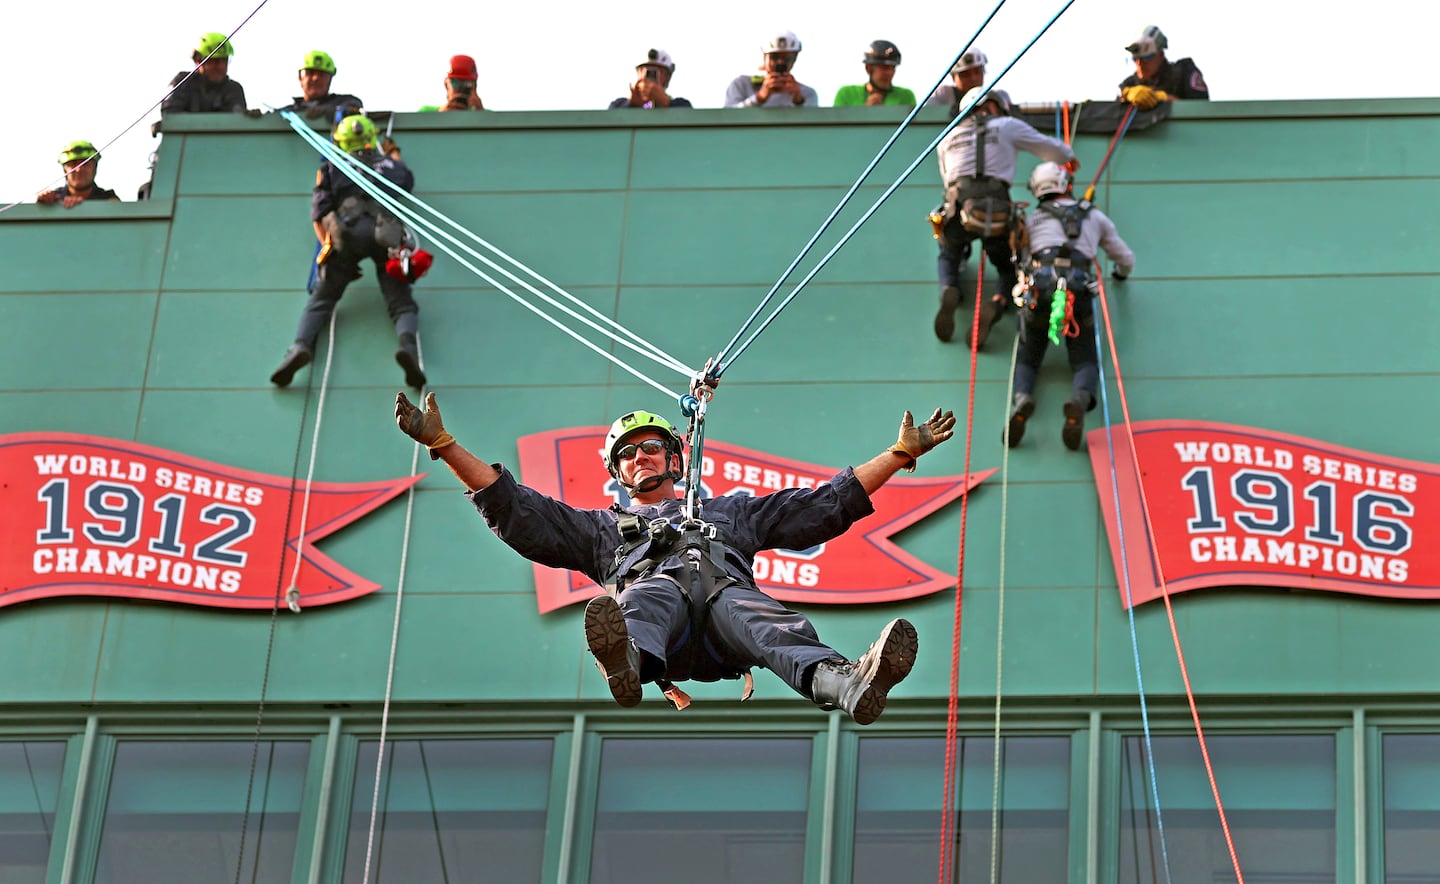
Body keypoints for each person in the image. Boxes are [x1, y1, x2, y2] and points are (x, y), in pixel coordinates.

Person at [394, 396, 956, 724]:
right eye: (628, 454)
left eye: (650, 448)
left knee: (756, 612)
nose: (641, 458)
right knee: (648, 593)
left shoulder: (732, 514)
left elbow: (821, 506)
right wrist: (442, 443)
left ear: (673, 458)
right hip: (661, 636)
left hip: (722, 630)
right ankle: (626, 661)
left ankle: (850, 685)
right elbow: (515, 508)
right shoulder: (602, 530)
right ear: (617, 474)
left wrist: (901, 452)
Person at [271, 115, 429, 390]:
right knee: (401, 302)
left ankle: (300, 347)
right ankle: (408, 349)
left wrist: (328, 246)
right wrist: (392, 152)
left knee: (323, 297)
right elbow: (407, 180)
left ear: (341, 142)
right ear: (371, 139)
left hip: (347, 234)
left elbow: (319, 211)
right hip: (385, 234)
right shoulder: (389, 165)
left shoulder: (331, 167)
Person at [1007, 162, 1135, 451]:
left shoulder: (1032, 220)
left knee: (1028, 356)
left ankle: (1023, 399)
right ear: (1065, 182)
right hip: (1078, 290)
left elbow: (1021, 257)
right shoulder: (1094, 217)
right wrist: (1120, 274)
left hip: (1040, 289)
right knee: (1085, 359)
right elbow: (1125, 258)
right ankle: (1079, 398)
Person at [932, 89, 1074, 349]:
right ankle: (997, 301)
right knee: (1008, 265)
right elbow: (1051, 149)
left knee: (949, 253)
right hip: (996, 210)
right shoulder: (1007, 126)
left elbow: (947, 176)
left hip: (958, 207)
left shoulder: (948, 136)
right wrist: (1067, 158)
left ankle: (948, 287)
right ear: (996, 106)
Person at [1118, 25, 1209, 110]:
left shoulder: (1184, 73)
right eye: (1135, 59)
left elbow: (1203, 110)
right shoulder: (1129, 84)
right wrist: (1126, 96)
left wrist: (1165, 100)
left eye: (1147, 58)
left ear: (1161, 55)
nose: (1140, 64)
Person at [161, 32, 249, 115]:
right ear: (198, 61)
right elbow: (170, 113)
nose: (221, 67)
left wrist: (251, 119)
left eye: (224, 60)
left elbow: (237, 120)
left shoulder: (233, 89)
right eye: (215, 61)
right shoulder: (183, 83)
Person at [724, 31, 819, 108]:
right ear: (765, 57)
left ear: (794, 60)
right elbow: (727, 118)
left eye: (787, 58)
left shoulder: (807, 94)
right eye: (774, 57)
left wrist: (799, 101)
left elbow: (813, 126)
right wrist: (759, 97)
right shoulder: (742, 85)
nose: (780, 62)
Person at [280, 51, 364, 122]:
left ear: (330, 79)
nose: (316, 78)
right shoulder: (286, 113)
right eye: (310, 73)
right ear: (300, 78)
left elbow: (354, 109)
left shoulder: (346, 102)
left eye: (322, 74)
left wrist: (330, 111)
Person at [37, 142, 119, 208]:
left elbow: (118, 211)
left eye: (85, 164)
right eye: (73, 164)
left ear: (94, 168)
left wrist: (83, 205)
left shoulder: (107, 198)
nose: (79, 169)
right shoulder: (55, 198)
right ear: (65, 170)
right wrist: (42, 203)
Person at [833, 40, 915, 107]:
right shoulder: (846, 94)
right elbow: (837, 125)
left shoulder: (906, 96)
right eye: (884, 67)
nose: (890, 73)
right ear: (868, 68)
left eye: (893, 67)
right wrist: (867, 112)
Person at [609, 49, 692, 109]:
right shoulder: (618, 105)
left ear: (668, 78)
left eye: (657, 72)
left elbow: (689, 121)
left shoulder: (682, 105)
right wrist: (631, 104)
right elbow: (609, 123)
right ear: (638, 73)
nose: (650, 77)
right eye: (646, 70)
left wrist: (666, 103)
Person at [924, 48, 991, 119]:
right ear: (953, 77)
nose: (973, 78)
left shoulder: (993, 97)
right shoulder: (944, 94)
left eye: (977, 71)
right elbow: (925, 116)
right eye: (965, 74)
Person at [419, 55, 486, 112]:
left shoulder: (490, 117)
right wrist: (442, 116)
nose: (460, 88)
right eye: (455, 82)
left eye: (467, 83)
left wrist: (481, 117)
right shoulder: (426, 113)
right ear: (446, 84)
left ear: (475, 86)